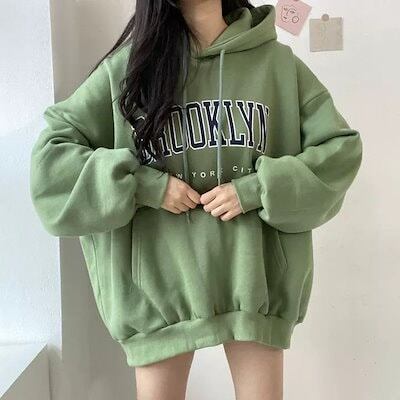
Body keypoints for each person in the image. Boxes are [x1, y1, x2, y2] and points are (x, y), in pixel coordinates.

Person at [29, 1, 363, 399]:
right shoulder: (130, 70)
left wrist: (257, 189)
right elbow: (51, 163)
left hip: (253, 284)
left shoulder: (277, 65)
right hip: (157, 294)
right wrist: (144, 186)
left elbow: (340, 152)